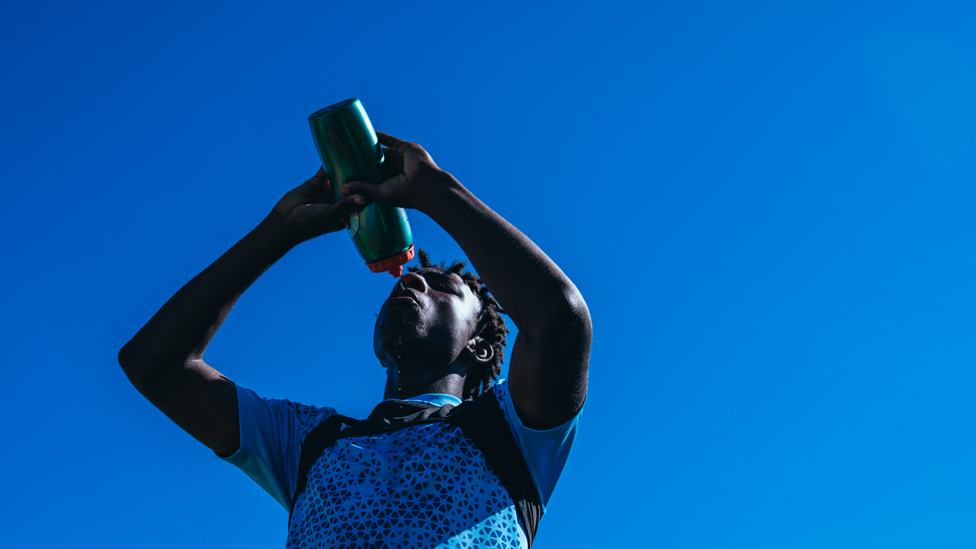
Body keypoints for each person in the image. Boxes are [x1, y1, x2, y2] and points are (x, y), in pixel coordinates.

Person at [118, 131, 592, 548]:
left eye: (441, 287)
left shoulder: (510, 434)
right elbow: (154, 364)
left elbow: (559, 319)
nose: (410, 283)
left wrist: (432, 189)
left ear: (481, 347)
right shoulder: (308, 442)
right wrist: (281, 228)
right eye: (406, 282)